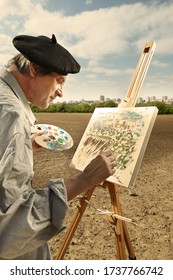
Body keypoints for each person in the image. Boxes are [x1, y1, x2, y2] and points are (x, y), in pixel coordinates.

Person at [0, 34, 116, 260]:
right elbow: (8, 222)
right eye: (59, 80)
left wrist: (23, 147)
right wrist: (82, 180)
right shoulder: (11, 114)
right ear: (34, 69)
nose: (61, 92)